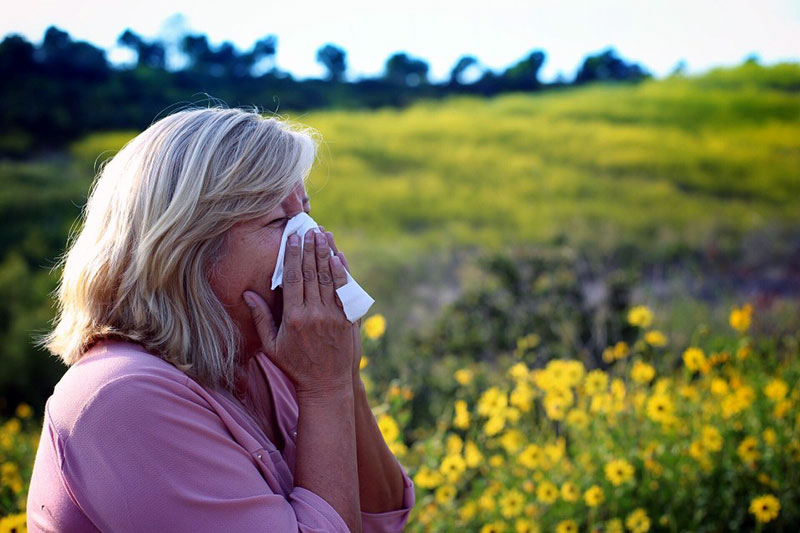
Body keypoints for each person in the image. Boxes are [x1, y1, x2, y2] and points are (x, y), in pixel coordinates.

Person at [27, 107, 415, 532]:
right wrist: (325, 388)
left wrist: (341, 375)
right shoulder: (123, 397)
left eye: (306, 211)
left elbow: (382, 519)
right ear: (188, 249)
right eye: (280, 220)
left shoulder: (268, 359)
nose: (313, 238)